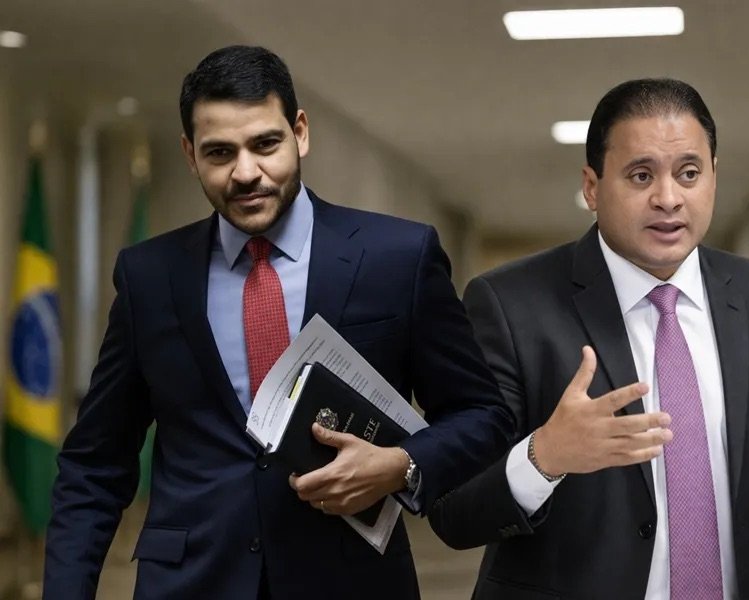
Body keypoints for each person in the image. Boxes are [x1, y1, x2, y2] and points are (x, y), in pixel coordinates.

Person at [43, 45, 514, 599]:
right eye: (220, 152)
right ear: (190, 154)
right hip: (192, 583)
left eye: (265, 144)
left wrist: (401, 465)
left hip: (349, 583)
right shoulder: (149, 277)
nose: (246, 173)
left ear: (300, 133)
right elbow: (95, 465)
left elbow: (483, 415)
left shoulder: (398, 258)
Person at [428, 78, 749, 599]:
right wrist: (543, 456)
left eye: (689, 173)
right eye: (641, 175)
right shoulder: (509, 305)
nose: (668, 198)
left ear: (714, 177)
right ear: (592, 187)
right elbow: (452, 508)